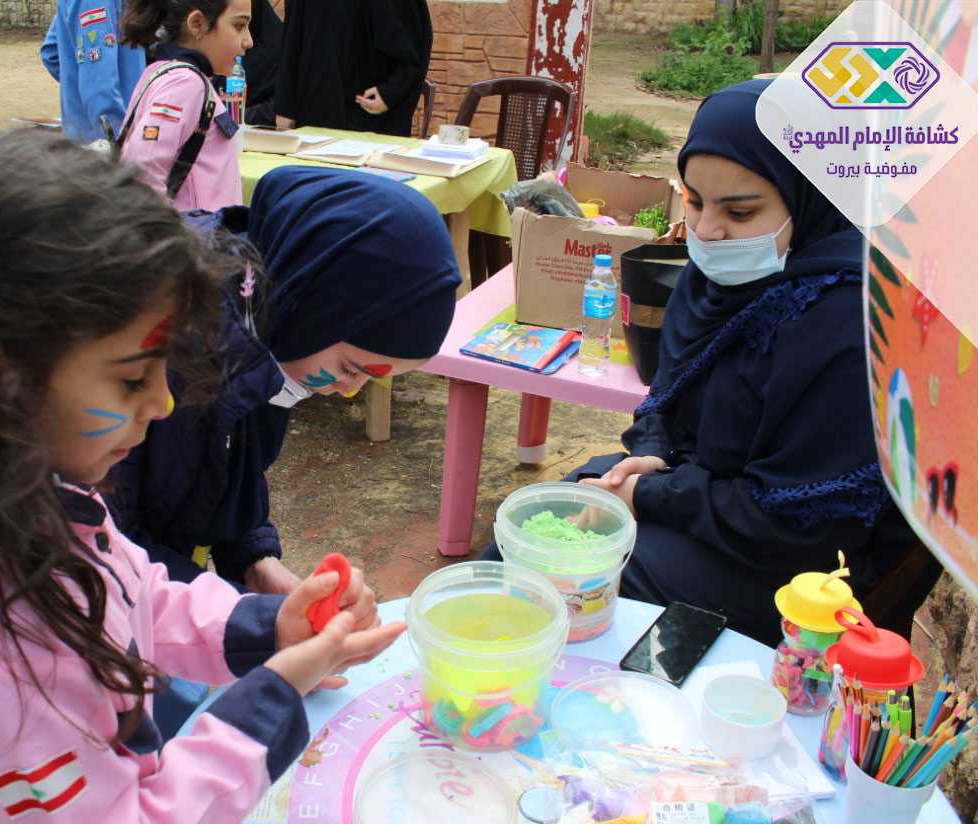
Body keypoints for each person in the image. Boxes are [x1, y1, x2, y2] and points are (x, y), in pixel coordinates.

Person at [0, 131, 403, 824]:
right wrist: (271, 697)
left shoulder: (9, 476)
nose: (163, 404)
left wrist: (263, 628)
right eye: (131, 378)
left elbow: (128, 587)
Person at [480, 80, 934, 645]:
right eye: (695, 201)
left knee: (573, 582)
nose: (707, 231)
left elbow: (802, 523)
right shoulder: (719, 280)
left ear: (812, 196)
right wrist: (653, 453)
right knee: (526, 535)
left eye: (740, 211)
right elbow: (669, 399)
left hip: (797, 569)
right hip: (704, 498)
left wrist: (650, 495)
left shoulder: (849, 323)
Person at [107, 166, 459, 595]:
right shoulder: (163, 350)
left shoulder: (264, 328)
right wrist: (240, 616)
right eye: (351, 368)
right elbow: (105, 551)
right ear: (313, 309)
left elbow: (228, 462)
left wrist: (253, 559)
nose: (348, 390)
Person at [118, 0, 251, 211]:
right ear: (197, 24)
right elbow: (142, 172)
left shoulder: (167, 73)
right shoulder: (184, 83)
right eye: (239, 26)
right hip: (193, 229)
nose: (248, 41)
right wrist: (167, 230)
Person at [274, 0, 431, 137]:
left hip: (367, 115)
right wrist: (285, 106)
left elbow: (415, 40)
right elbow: (291, 38)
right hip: (313, 109)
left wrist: (391, 91)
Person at [39, 0, 147, 147]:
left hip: (85, 138)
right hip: (107, 145)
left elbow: (51, 52)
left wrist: (77, 90)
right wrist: (118, 140)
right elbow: (99, 86)